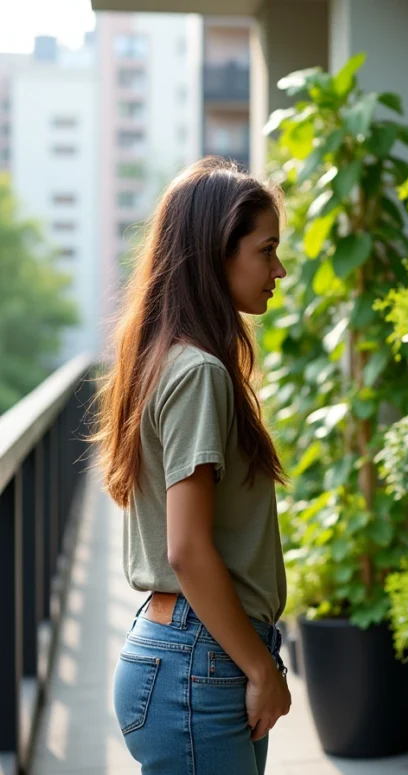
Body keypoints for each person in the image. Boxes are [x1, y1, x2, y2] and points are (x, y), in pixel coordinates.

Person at [90, 157, 292, 774]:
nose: (278, 270)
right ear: (216, 253)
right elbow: (187, 549)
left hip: (188, 655)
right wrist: (262, 670)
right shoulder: (199, 372)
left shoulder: (164, 360)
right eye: (267, 250)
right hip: (199, 664)